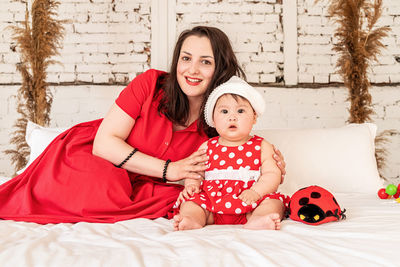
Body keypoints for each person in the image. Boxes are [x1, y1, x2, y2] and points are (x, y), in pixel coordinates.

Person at [0, 26, 286, 224]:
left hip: (151, 188)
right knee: (99, 182)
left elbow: (237, 153)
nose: (192, 70)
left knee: (184, 200)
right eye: (186, 59)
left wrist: (266, 162)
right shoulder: (150, 84)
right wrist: (169, 169)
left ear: (220, 69)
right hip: (101, 157)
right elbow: (104, 143)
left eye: (205, 62)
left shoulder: (220, 121)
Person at [173, 76, 290, 231]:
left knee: (274, 202)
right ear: (213, 119)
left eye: (241, 111)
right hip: (212, 205)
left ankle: (259, 219)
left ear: (254, 117)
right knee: (191, 203)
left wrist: (256, 192)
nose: (232, 116)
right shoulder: (208, 146)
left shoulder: (262, 146)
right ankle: (192, 219)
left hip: (250, 204)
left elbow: (272, 174)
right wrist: (192, 185)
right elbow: (195, 172)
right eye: (224, 111)